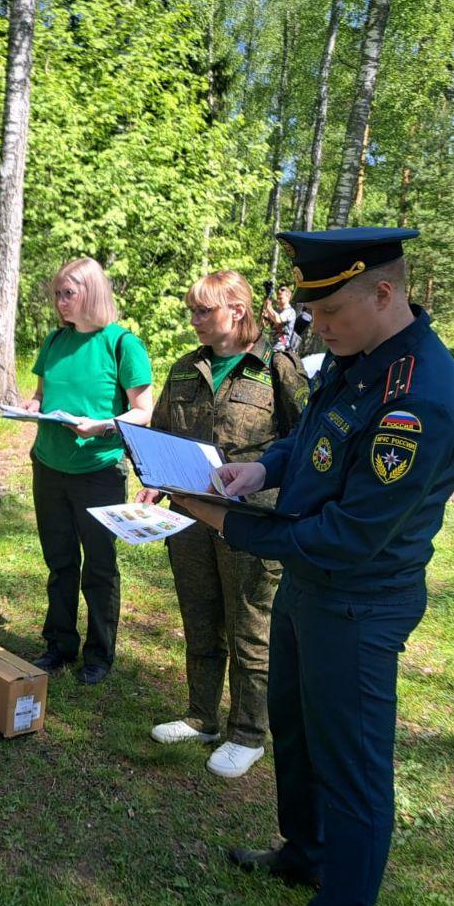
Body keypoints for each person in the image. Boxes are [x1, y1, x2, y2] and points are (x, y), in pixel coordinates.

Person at [172, 228, 454, 906]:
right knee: (299, 734)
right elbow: (310, 434)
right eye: (312, 312)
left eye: (333, 310)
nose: (319, 326)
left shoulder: (419, 397)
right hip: (309, 588)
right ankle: (304, 854)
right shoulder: (355, 356)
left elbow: (346, 535)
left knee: (351, 765)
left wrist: (225, 521)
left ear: (385, 292)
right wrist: (264, 470)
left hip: (358, 601)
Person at [139, 271, 307, 779]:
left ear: (236, 310)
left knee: (250, 625)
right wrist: (153, 478)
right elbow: (164, 432)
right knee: (200, 615)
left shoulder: (276, 367)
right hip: (190, 513)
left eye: (203, 312)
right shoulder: (186, 368)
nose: (194, 321)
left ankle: (249, 734)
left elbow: (306, 443)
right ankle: (201, 716)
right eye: (191, 311)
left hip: (252, 518)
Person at [20, 257, 154, 684]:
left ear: (92, 293)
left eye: (68, 293)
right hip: (50, 466)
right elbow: (41, 395)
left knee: (98, 566)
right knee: (59, 562)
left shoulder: (121, 343)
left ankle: (99, 654)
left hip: (98, 469)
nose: (60, 302)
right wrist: (30, 407)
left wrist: (104, 426)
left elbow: (143, 412)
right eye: (57, 294)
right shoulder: (54, 341)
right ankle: (59, 645)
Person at [263, 285, 299, 352]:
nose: (278, 300)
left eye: (281, 298)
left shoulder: (290, 311)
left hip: (281, 347)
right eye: (278, 298)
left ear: (288, 297)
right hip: (271, 344)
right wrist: (265, 316)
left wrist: (269, 307)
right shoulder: (277, 311)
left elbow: (278, 320)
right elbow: (264, 324)